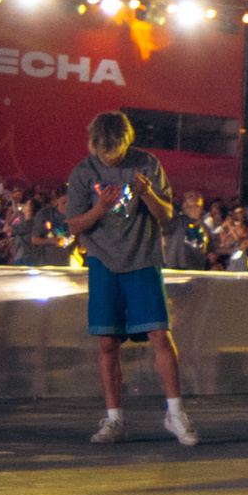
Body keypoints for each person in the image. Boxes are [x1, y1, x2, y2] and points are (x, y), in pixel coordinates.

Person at [63, 111, 196, 447]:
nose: (111, 159)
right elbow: (74, 225)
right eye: (105, 154)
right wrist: (100, 208)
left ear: (126, 141)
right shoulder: (83, 172)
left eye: (116, 153)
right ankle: (115, 419)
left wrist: (149, 194)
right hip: (103, 263)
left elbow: (166, 216)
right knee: (108, 343)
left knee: (159, 335)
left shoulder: (147, 163)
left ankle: (175, 413)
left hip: (143, 260)